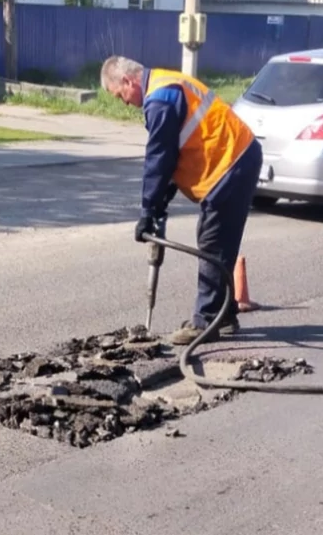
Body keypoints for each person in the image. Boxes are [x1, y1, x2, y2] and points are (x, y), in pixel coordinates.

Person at [100, 55, 263, 346]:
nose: (123, 102)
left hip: (230, 163)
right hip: (239, 158)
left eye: (119, 95)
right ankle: (223, 316)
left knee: (212, 243)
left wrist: (148, 210)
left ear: (127, 81)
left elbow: (159, 159)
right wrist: (159, 203)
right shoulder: (165, 83)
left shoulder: (160, 99)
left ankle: (205, 323)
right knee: (221, 244)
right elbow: (175, 153)